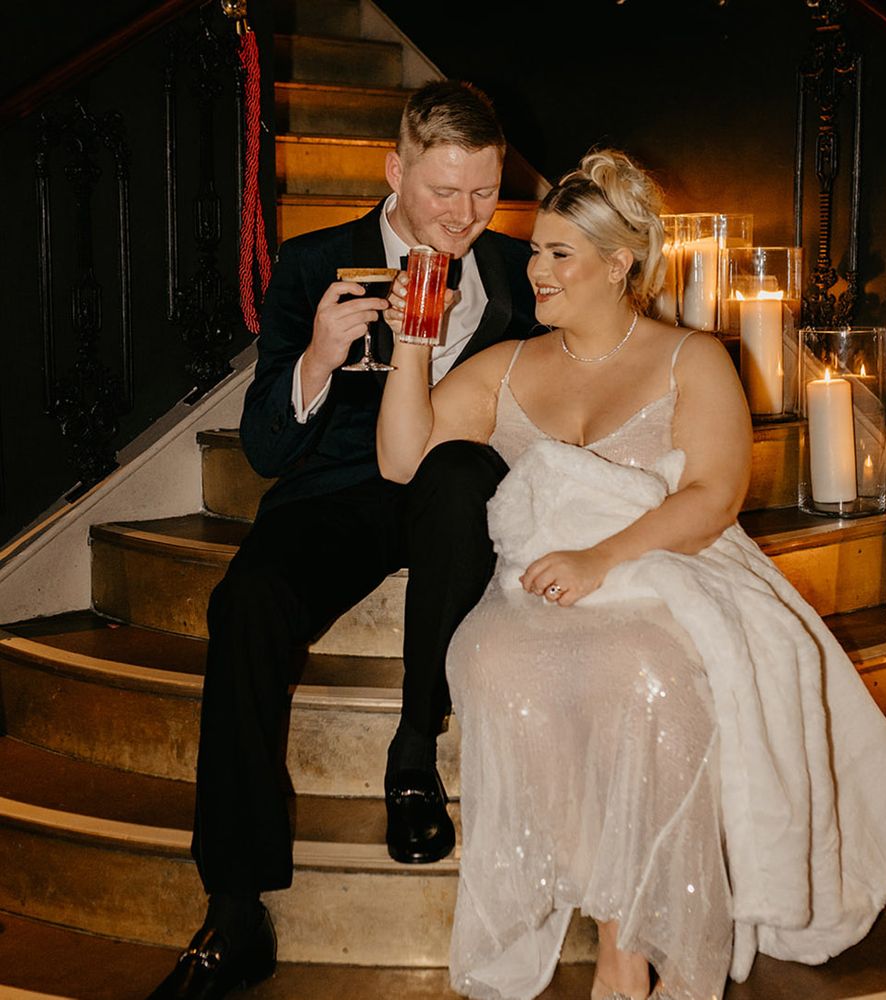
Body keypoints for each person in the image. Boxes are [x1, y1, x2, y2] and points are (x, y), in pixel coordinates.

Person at [377, 149, 886, 1000]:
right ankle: (599, 897)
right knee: (489, 660)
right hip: (539, 585)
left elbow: (714, 495)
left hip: (664, 563)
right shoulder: (510, 365)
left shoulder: (691, 358)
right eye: (535, 251)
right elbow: (403, 460)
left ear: (618, 262)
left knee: (647, 672)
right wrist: (413, 343)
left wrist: (603, 559)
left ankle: (626, 944)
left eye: (560, 253)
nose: (537, 270)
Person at [147, 81, 538, 1000]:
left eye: (484, 192)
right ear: (394, 170)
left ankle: (413, 754)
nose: (464, 217)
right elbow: (266, 449)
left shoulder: (521, 271)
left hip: (454, 488)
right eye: (445, 192)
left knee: (456, 480)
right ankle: (235, 903)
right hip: (333, 494)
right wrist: (318, 358)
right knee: (244, 602)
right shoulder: (313, 263)